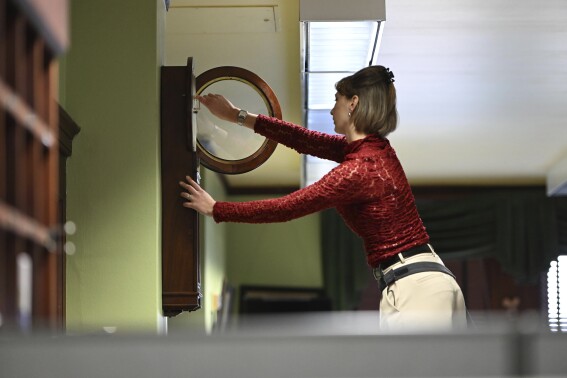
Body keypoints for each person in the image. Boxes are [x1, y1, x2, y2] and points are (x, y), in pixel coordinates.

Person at [179, 65, 467, 331]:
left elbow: (287, 207)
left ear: (353, 103)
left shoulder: (360, 169)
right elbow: (303, 139)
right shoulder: (371, 151)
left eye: (336, 99)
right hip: (425, 281)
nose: (332, 110)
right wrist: (236, 115)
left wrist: (217, 209)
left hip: (415, 286)